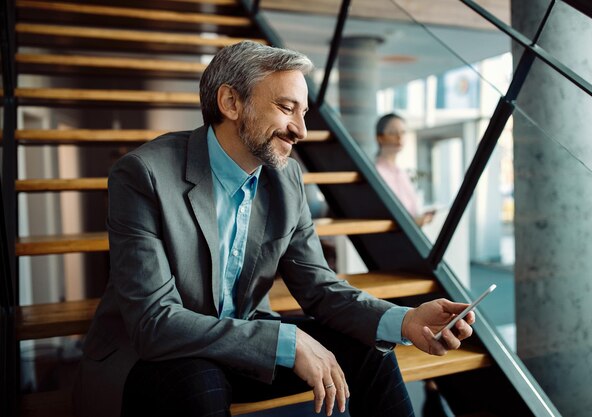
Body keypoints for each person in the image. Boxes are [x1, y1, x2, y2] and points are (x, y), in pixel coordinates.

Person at [73, 41, 475, 417]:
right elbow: (154, 323)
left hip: (240, 341)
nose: (300, 130)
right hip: (154, 354)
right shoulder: (143, 174)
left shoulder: (286, 179)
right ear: (231, 102)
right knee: (200, 383)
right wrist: (288, 340)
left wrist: (405, 321)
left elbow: (319, 288)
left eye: (304, 113)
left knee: (371, 350)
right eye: (286, 108)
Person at [375, 113, 434, 226]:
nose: (399, 137)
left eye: (403, 132)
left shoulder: (402, 174)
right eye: (393, 133)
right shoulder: (376, 173)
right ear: (380, 137)